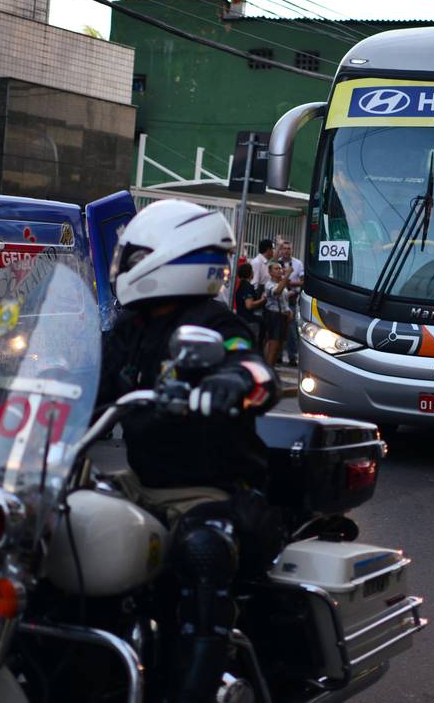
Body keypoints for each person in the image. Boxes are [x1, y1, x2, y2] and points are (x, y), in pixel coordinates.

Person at [97, 199, 280, 703]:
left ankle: (195, 689)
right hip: (141, 486)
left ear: (173, 258)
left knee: (204, 552)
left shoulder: (215, 324)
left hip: (210, 490)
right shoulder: (130, 327)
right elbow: (88, 379)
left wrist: (232, 381)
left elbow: (256, 373)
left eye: (134, 257)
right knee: (56, 518)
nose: (123, 268)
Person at [276, 239, 304, 365]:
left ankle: (292, 357)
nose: (286, 251)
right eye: (284, 248)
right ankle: (278, 356)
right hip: (278, 300)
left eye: (289, 249)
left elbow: (304, 281)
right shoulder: (277, 263)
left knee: (292, 331)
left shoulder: (297, 263)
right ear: (281, 250)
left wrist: (291, 283)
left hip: (292, 299)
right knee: (278, 330)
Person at [262, 261, 292, 367]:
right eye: (276, 269)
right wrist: (287, 275)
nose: (279, 271)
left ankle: (271, 368)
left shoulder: (281, 283)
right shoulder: (269, 284)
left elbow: (284, 300)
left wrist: (289, 311)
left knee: (279, 346)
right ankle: (268, 370)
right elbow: (277, 292)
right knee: (273, 346)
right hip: (274, 316)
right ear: (270, 272)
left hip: (282, 317)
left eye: (280, 268)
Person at [233, 261, 265, 341]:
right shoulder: (247, 286)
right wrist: (263, 300)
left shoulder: (242, 285)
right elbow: (249, 305)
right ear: (249, 272)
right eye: (252, 270)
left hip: (242, 319)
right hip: (249, 321)